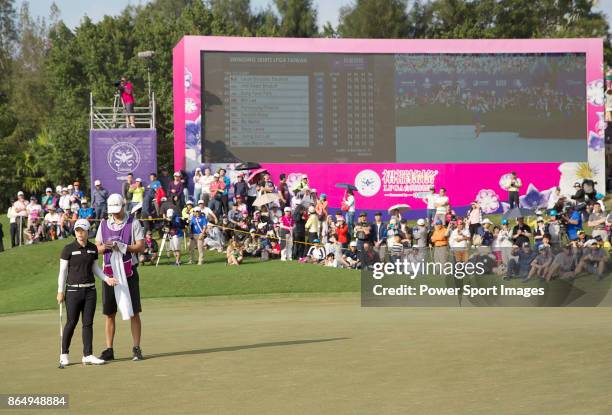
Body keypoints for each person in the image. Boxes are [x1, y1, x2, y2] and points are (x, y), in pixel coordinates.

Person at [57, 219, 118, 366]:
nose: (79, 233)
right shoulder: (68, 249)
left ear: (87, 232)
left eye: (82, 230)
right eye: (77, 230)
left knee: (88, 323)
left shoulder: (93, 248)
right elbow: (62, 272)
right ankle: (64, 354)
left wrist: (106, 278)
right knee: (71, 322)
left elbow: (95, 268)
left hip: (90, 291)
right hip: (72, 291)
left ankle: (88, 354)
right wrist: (60, 291)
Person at [95, 194, 145, 362]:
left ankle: (136, 348)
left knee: (134, 312)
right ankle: (109, 349)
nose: (115, 214)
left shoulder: (133, 223)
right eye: (113, 211)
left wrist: (125, 247)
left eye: (118, 210)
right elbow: (97, 247)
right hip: (109, 274)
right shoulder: (103, 224)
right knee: (109, 313)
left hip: (129, 272)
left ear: (123, 206)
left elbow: (141, 246)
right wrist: (105, 247)